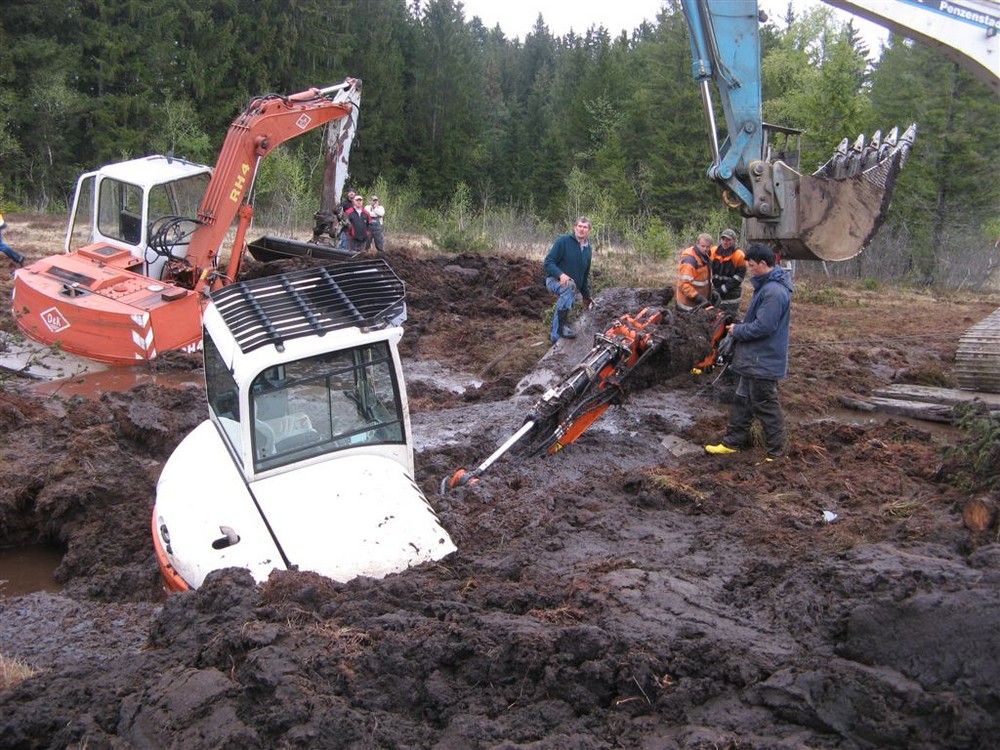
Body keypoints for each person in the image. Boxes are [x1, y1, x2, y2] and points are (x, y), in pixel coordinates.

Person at [705, 243, 794, 461]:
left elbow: (764, 327)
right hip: (752, 358)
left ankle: (777, 453)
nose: (750, 269)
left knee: (766, 406)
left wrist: (737, 329)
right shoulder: (766, 286)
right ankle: (732, 443)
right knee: (742, 401)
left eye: (753, 265)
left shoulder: (773, 291)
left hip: (763, 360)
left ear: (764, 264)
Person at [543, 216, 593, 343]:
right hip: (554, 280)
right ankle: (557, 334)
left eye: (585, 227)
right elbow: (548, 262)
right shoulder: (563, 241)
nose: (581, 229)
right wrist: (561, 274)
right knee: (568, 288)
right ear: (575, 228)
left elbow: (584, 276)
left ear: (589, 231)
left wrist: (586, 297)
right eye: (579, 226)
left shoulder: (588, 250)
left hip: (574, 286)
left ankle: (563, 325)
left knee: (571, 291)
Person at [710, 228, 746, 316]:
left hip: (732, 294)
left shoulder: (739, 256)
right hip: (716, 291)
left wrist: (721, 290)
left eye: (728, 240)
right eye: (723, 239)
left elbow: (738, 279)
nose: (725, 242)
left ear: (734, 240)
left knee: (729, 318)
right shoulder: (713, 251)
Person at [675, 233, 714, 311]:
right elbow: (684, 285)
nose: (705, 249)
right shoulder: (690, 261)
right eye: (703, 246)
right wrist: (699, 298)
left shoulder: (705, 257)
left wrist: (711, 292)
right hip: (687, 306)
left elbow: (705, 280)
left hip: (698, 304)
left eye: (708, 247)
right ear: (697, 244)